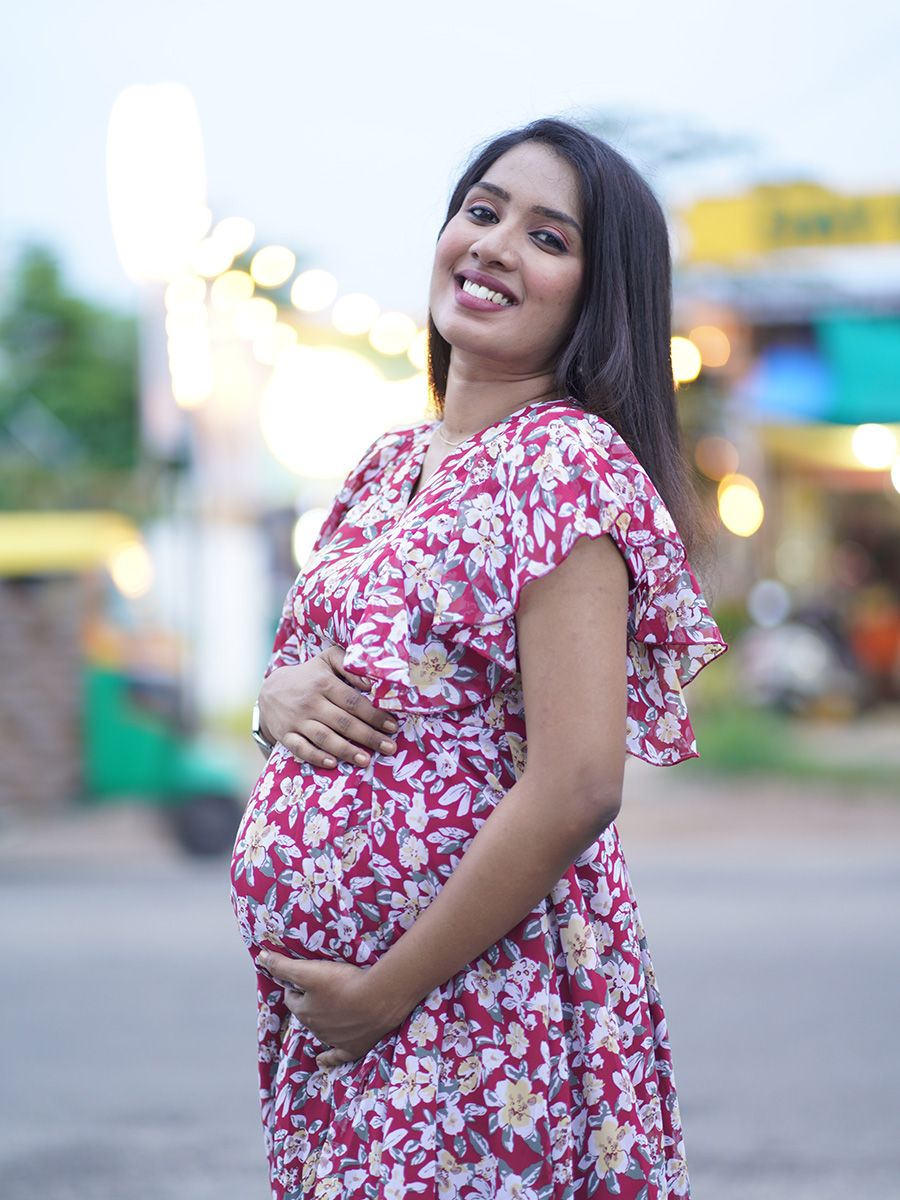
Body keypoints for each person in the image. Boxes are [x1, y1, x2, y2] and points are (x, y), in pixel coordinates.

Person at [230, 117, 728, 1200]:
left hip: (473, 1006)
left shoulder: (562, 461)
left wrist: (384, 992)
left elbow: (578, 784)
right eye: (484, 209)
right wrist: (270, 703)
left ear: (598, 297)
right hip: (351, 1024)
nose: (495, 245)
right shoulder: (389, 464)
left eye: (550, 238)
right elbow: (316, 677)